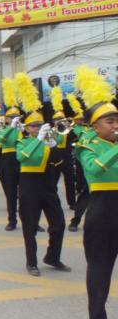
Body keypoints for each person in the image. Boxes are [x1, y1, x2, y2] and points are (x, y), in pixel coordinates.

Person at [72, 65, 118, 319]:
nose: (115, 125)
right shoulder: (86, 146)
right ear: (95, 126)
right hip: (103, 212)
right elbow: (96, 169)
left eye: (117, 120)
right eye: (110, 121)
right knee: (100, 270)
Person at [14, 72, 69, 277]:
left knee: (59, 224)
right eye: (34, 126)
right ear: (26, 128)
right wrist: (38, 140)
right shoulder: (23, 142)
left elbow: (59, 163)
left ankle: (52, 257)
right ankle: (31, 262)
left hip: (48, 186)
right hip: (29, 186)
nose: (37, 128)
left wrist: (53, 146)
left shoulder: (48, 140)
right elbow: (23, 157)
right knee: (30, 226)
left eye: (39, 125)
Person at [68, 94, 92, 232]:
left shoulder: (87, 130)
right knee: (85, 194)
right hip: (89, 168)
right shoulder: (83, 132)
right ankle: (75, 221)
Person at [50, 86, 77, 210]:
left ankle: (72, 202)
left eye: (60, 119)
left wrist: (69, 127)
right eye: (56, 119)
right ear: (53, 120)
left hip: (66, 156)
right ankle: (53, 202)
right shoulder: (51, 130)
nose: (58, 121)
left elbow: (75, 138)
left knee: (70, 180)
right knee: (52, 181)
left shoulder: (68, 129)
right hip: (55, 157)